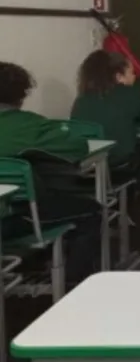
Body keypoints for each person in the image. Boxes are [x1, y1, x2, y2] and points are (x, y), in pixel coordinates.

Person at [0, 61, 101, 283]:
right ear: (22, 94)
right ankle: (74, 285)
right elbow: (78, 147)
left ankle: (35, 266)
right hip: (19, 216)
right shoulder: (31, 126)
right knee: (92, 210)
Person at [71, 50, 140, 170]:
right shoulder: (129, 93)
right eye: (131, 73)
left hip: (86, 169)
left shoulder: (80, 100)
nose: (134, 77)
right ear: (118, 77)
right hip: (118, 167)